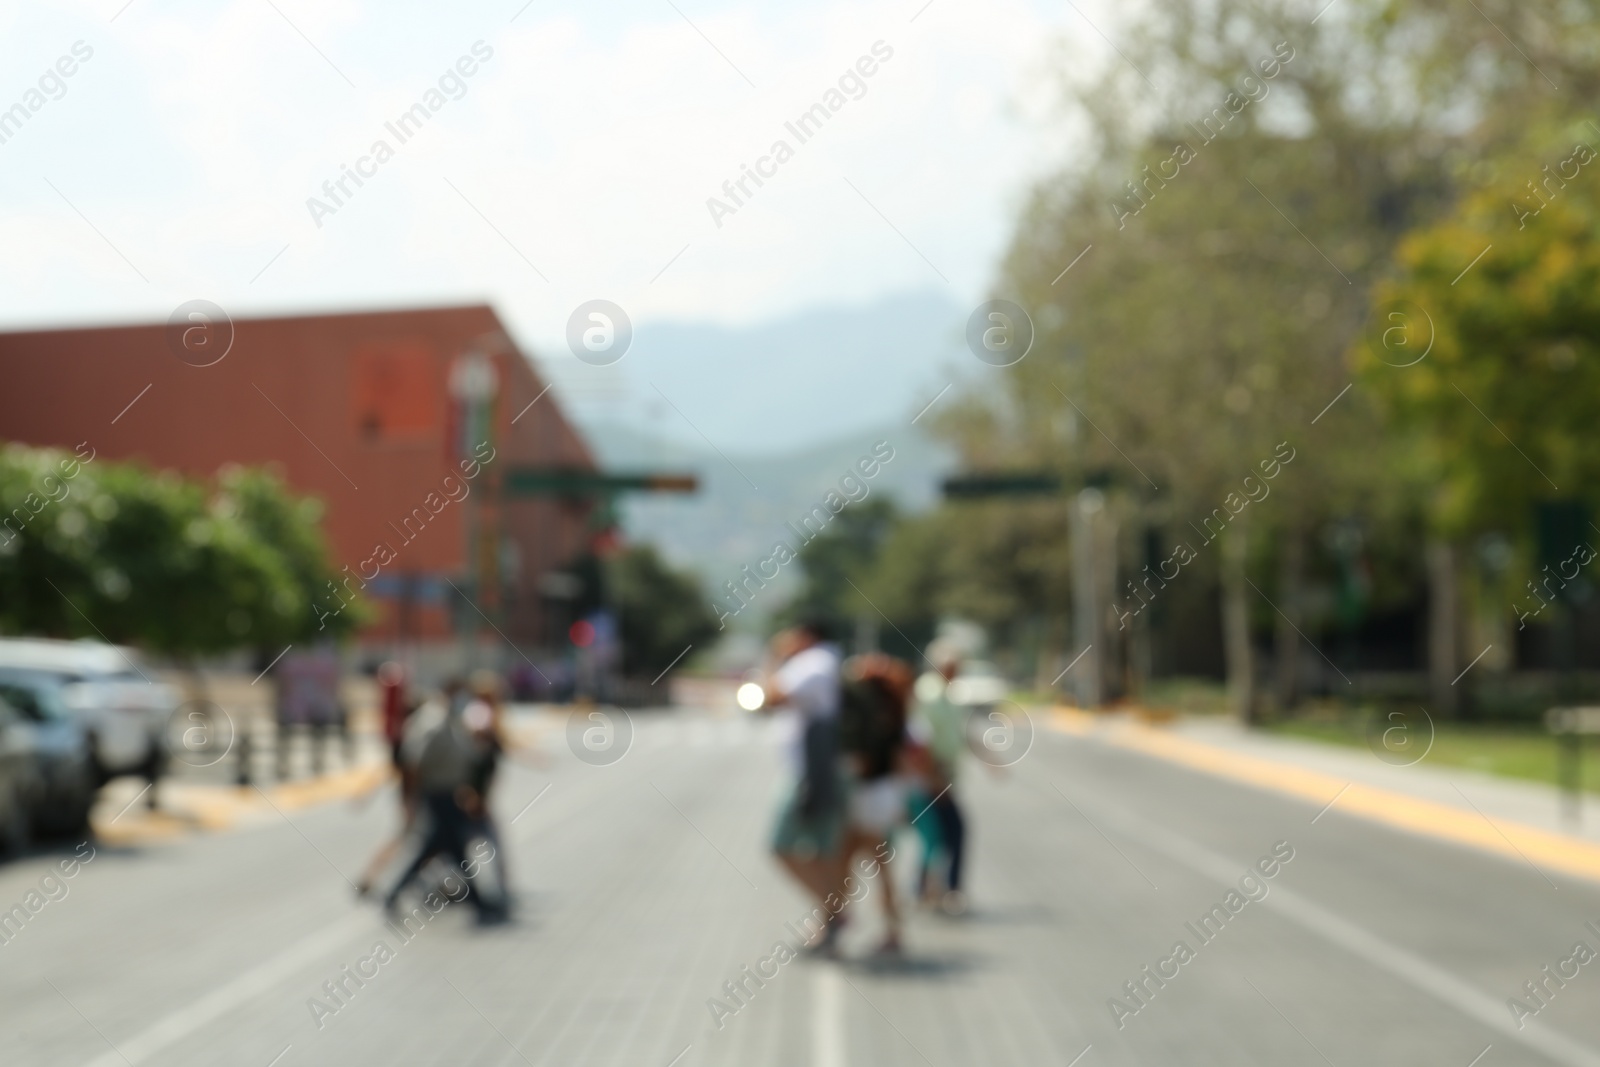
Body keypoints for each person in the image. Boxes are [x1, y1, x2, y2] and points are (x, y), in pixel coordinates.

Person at [761, 619, 847, 952]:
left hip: (809, 772)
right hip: (814, 769)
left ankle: (835, 913)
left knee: (782, 845)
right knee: (821, 850)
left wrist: (773, 656)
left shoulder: (813, 663)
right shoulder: (825, 662)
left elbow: (771, 697)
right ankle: (830, 918)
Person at [381, 684, 502, 922]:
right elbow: (414, 764)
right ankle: (478, 902)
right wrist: (411, 801)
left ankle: (394, 894)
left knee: (441, 849)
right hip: (437, 797)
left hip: (448, 795)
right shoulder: (432, 724)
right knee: (452, 849)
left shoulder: (449, 722)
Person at [837, 652, 915, 955]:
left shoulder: (865, 718)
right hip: (886, 795)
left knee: (845, 862)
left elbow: (862, 763)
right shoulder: (896, 713)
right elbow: (900, 762)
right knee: (881, 867)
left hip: (866, 795)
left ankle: (836, 921)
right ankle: (892, 930)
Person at [909, 639, 969, 915]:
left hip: (941, 774)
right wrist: (935, 778)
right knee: (951, 832)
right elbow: (923, 741)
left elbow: (957, 733)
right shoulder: (930, 694)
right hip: (933, 775)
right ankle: (947, 890)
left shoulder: (946, 693)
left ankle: (927, 890)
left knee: (936, 835)